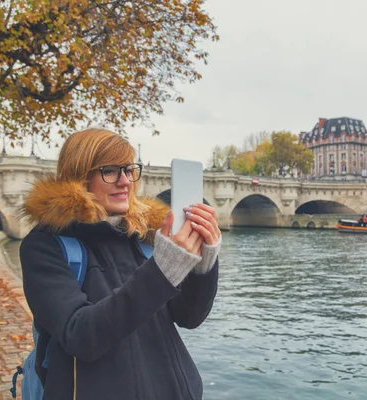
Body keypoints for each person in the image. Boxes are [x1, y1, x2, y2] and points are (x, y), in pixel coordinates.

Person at [19, 128, 221, 400]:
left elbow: (189, 317)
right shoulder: (45, 245)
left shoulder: (143, 237)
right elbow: (81, 336)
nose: (125, 181)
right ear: (81, 176)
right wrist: (162, 270)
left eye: (129, 170)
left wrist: (202, 267)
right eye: (110, 171)